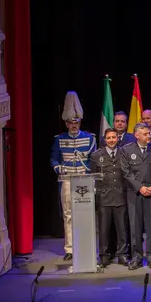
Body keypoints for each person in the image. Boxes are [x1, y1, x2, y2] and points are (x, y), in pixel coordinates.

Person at [50, 91, 97, 261]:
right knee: (68, 215)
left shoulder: (90, 138)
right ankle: (69, 248)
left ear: (80, 121)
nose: (74, 125)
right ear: (66, 123)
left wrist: (89, 173)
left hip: (84, 180)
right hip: (67, 180)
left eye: (76, 122)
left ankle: (85, 245)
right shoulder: (59, 139)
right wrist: (58, 167)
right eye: (71, 122)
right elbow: (54, 159)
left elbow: (93, 161)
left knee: (85, 213)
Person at [121, 123, 151, 270]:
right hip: (134, 194)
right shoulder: (127, 149)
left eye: (149, 133)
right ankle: (137, 258)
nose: (149, 136)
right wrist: (140, 187)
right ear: (137, 135)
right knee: (135, 228)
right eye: (145, 134)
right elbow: (126, 173)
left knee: (150, 228)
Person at [90, 128, 129, 268]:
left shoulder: (124, 152)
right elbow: (93, 176)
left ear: (118, 138)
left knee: (122, 228)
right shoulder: (96, 155)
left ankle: (122, 254)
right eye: (109, 138)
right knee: (104, 229)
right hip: (104, 197)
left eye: (114, 137)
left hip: (120, 196)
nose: (111, 140)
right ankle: (104, 256)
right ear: (104, 139)